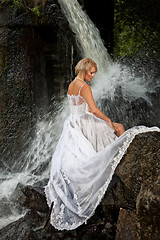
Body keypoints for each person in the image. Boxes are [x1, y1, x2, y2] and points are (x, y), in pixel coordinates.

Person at [45, 57, 159, 231]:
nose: (92, 76)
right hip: (85, 122)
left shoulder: (71, 85)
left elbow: (77, 108)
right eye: (91, 73)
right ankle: (122, 164)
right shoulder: (85, 87)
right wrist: (108, 121)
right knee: (119, 128)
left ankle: (118, 162)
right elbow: (93, 110)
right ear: (84, 70)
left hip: (73, 123)